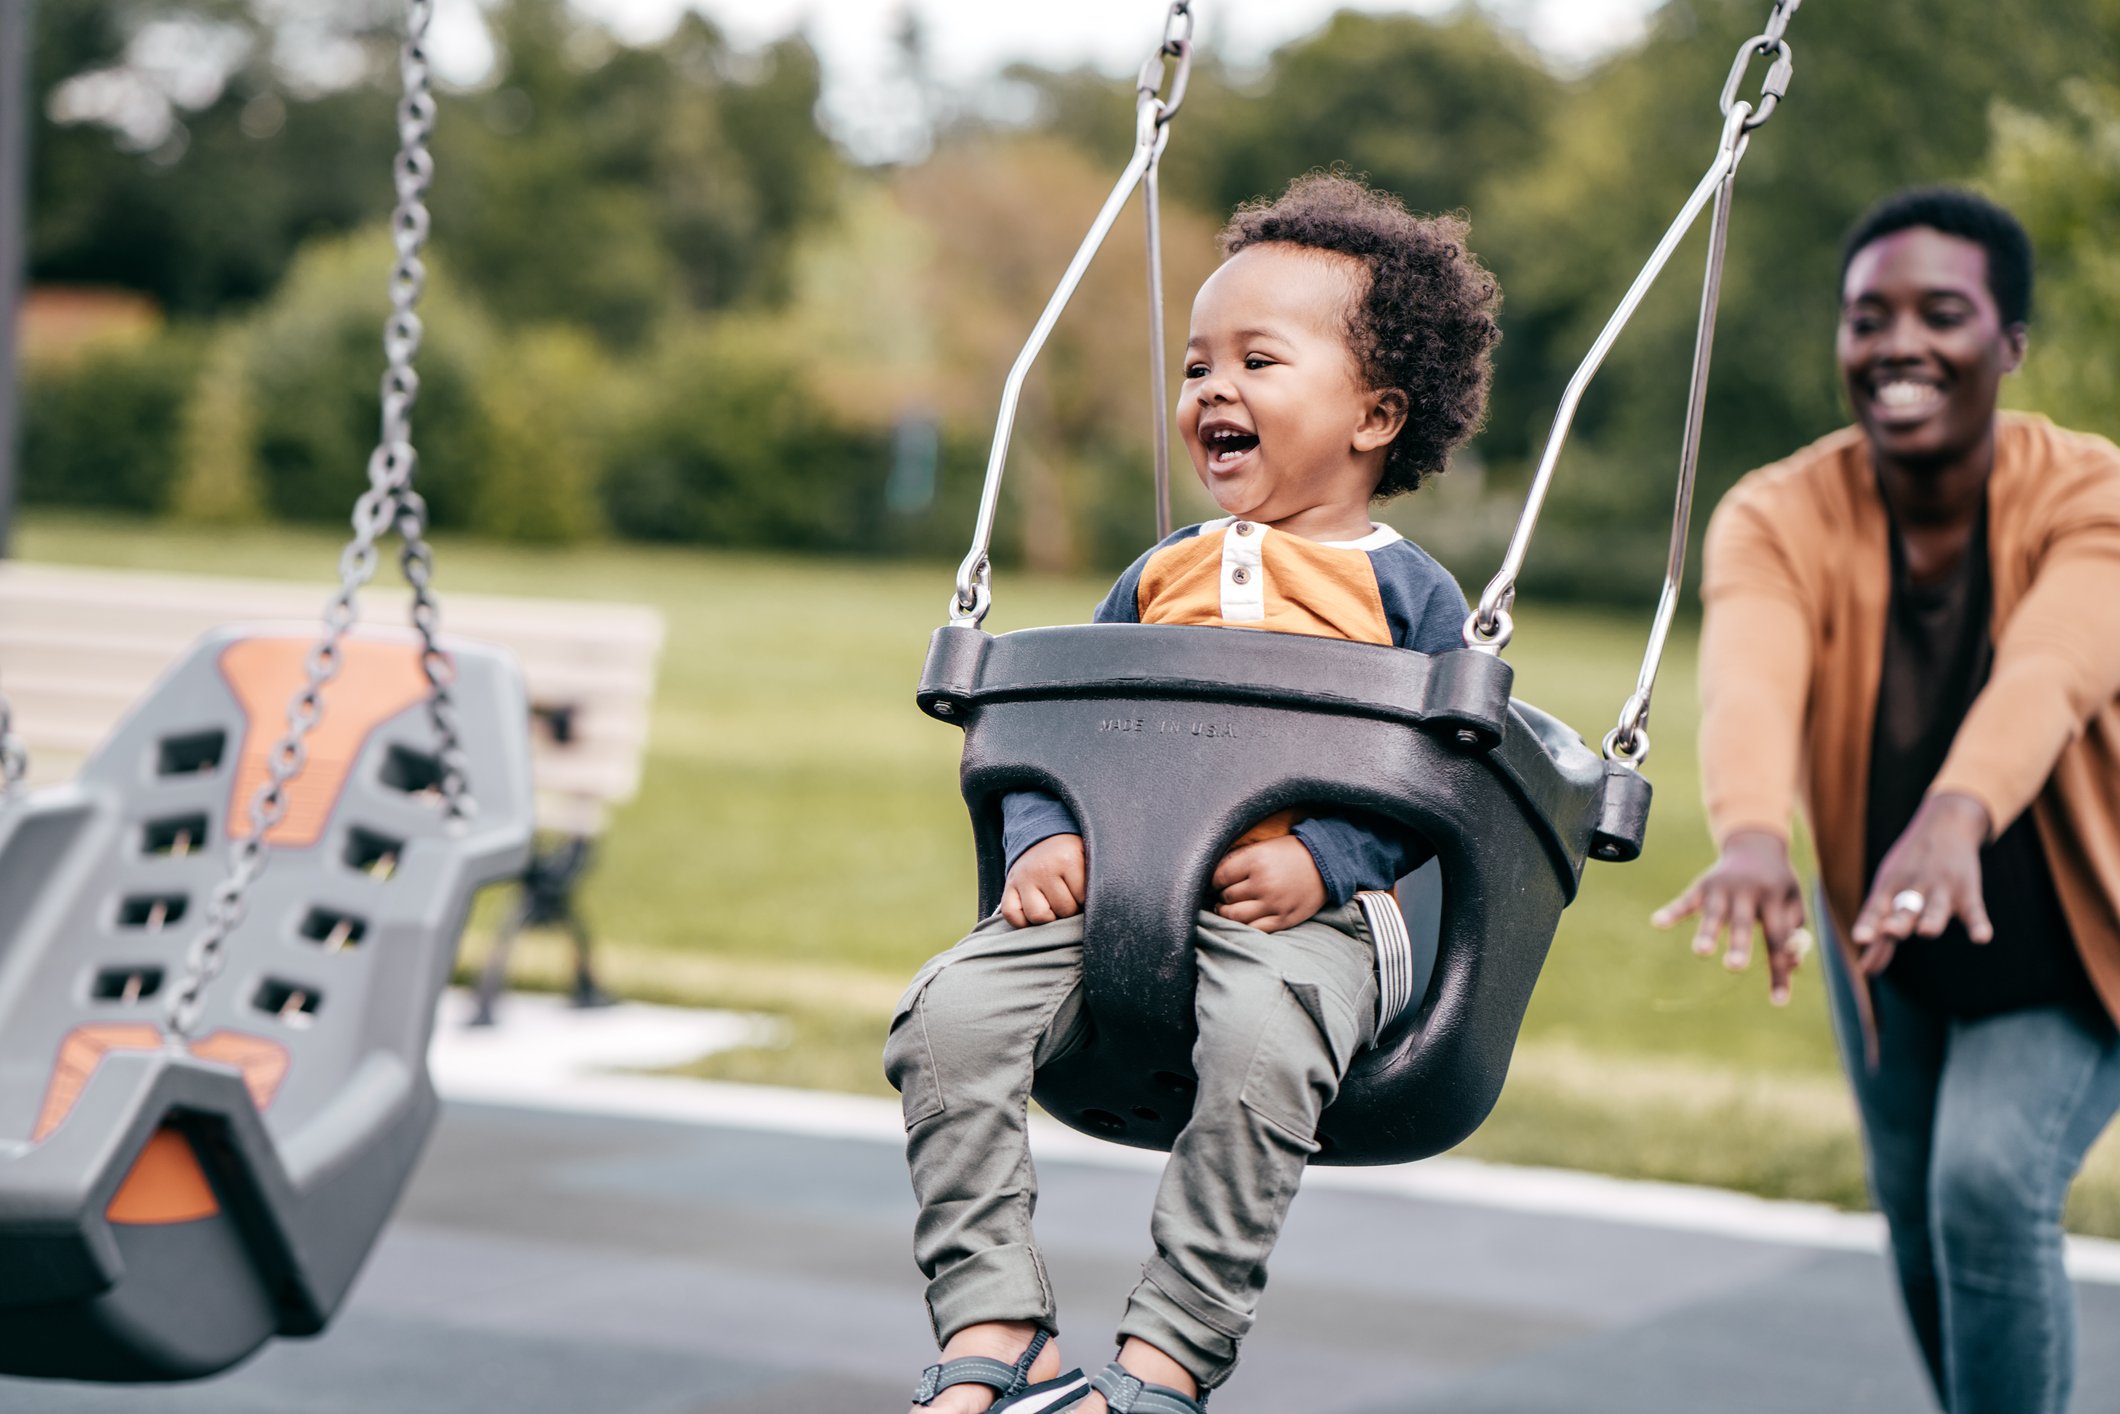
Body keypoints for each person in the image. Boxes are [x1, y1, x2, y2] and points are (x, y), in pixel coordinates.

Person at [885, 172, 1500, 1414]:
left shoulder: (1411, 595)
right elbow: (1062, 726)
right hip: (1116, 885)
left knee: (1264, 1053)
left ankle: (1168, 1355)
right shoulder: (1156, 571)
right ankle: (995, 1327)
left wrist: (1324, 856)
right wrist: (1042, 840)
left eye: (1256, 361)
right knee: (941, 1019)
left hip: (1308, 921)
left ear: (1374, 413)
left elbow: (1437, 776)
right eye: (1195, 365)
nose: (1211, 389)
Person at [1655, 187, 2120, 1413]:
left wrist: (1958, 811)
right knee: (1918, 1222)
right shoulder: (1775, 512)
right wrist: (1752, 832)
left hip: (2076, 932)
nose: (1896, 342)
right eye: (1866, 317)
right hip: (1888, 927)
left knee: (1980, 1185)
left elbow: (2054, 669)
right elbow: (1748, 679)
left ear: (2008, 343)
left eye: (1940, 312)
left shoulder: (2092, 494)